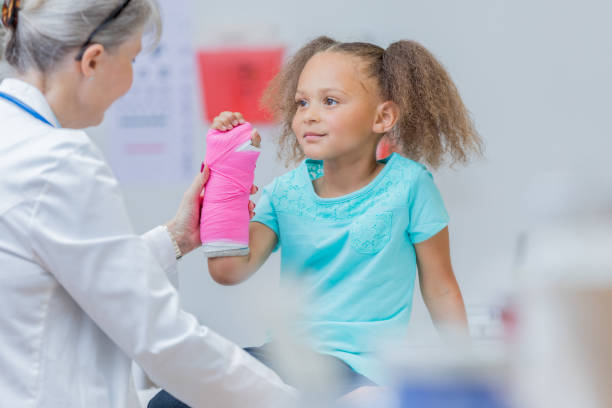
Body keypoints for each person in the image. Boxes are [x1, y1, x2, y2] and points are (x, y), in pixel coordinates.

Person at [150, 35, 483, 406]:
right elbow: (228, 270)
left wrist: (465, 373)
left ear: (383, 117)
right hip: (288, 359)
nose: (309, 114)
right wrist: (228, 170)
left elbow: (440, 288)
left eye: (330, 101)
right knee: (169, 401)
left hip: (366, 366)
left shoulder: (410, 186)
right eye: (302, 102)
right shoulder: (285, 194)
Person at [0, 0, 297, 407]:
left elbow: (56, 274)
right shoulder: (58, 162)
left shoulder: (15, 141)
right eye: (133, 60)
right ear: (93, 61)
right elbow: (162, 338)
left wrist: (176, 236)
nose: (130, 82)